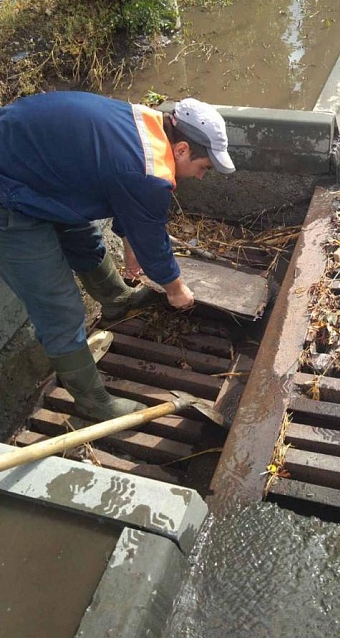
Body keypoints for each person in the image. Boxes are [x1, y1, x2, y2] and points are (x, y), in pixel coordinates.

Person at [0, 91, 235, 420]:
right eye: (203, 167)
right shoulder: (149, 173)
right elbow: (152, 241)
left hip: (31, 163)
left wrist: (128, 243)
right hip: (9, 194)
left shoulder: (145, 124)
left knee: (81, 235)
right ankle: (94, 403)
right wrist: (176, 290)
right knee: (60, 309)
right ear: (181, 149)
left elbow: (123, 187)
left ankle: (116, 300)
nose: (200, 176)